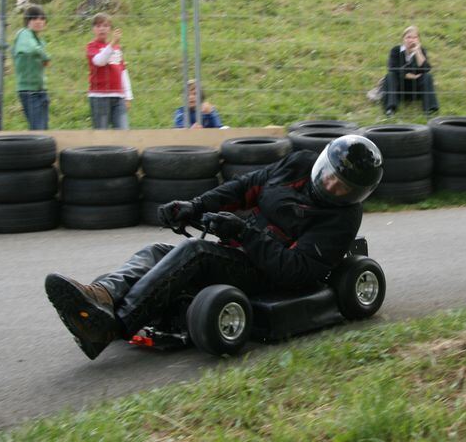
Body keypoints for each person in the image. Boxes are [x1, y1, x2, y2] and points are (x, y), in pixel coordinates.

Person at [44, 134, 384, 360]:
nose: (330, 185)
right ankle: (100, 296)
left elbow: (296, 269)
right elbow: (245, 187)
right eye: (330, 175)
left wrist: (245, 233)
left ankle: (112, 326)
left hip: (269, 274)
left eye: (342, 186)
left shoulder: (342, 218)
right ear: (323, 163)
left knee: (195, 252)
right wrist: (196, 207)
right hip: (239, 246)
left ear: (356, 193)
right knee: (157, 252)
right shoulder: (299, 163)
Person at [85, 13, 133, 130]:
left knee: (123, 132)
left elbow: (122, 71)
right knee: (102, 135)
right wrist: (112, 43)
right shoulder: (91, 46)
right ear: (93, 29)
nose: (102, 28)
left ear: (110, 29)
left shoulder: (117, 48)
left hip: (118, 96)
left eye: (105, 25)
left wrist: (128, 96)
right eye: (98, 25)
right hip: (99, 96)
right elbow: (99, 61)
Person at [382, 26, 440, 116]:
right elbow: (392, 68)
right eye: (408, 37)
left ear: (418, 40)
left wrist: (418, 52)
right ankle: (390, 108)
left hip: (415, 89)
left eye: (414, 37)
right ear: (403, 39)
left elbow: (426, 69)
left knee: (428, 77)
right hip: (399, 89)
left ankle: (429, 109)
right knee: (390, 76)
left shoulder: (421, 51)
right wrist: (409, 75)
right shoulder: (396, 50)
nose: (411, 40)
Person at [12, 4, 51, 130]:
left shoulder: (38, 40)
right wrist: (46, 57)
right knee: (38, 128)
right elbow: (32, 49)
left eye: (41, 18)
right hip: (29, 90)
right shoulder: (24, 34)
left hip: (40, 89)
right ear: (27, 21)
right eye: (34, 19)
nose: (38, 22)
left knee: (43, 128)